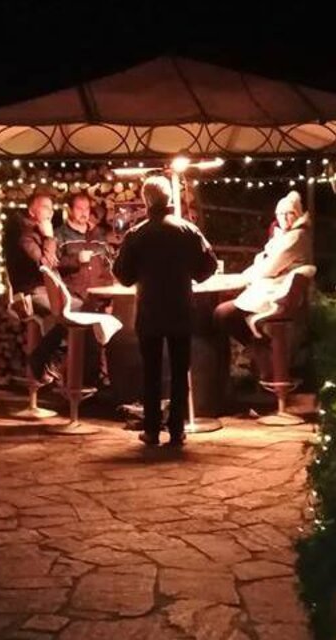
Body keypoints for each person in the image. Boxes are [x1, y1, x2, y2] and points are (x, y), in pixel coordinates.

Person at [113, 175, 218, 447]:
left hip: (149, 310)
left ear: (147, 201)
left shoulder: (137, 234)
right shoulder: (188, 231)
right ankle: (177, 430)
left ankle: (151, 430)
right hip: (181, 308)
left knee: (151, 371)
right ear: (170, 198)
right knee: (180, 371)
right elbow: (208, 266)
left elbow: (122, 274)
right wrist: (189, 275)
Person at [213, 190, 312, 378]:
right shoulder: (284, 236)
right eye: (280, 214)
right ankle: (260, 354)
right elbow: (265, 261)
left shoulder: (296, 237)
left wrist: (245, 277)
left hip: (278, 297)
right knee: (225, 313)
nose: (284, 218)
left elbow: (269, 267)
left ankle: (260, 349)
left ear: (297, 214)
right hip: (271, 291)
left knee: (223, 314)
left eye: (289, 213)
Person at [6, 191, 77, 384]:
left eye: (51, 207)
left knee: (82, 308)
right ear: (31, 211)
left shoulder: (35, 234)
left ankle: (68, 368)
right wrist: (49, 237)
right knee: (70, 313)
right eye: (45, 207)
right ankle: (42, 357)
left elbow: (54, 262)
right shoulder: (25, 237)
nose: (50, 211)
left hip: (46, 289)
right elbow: (45, 265)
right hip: (31, 292)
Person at [55, 193, 111, 301]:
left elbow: (107, 265)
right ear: (70, 210)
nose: (83, 213)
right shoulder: (59, 235)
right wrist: (76, 260)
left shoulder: (99, 234)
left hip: (100, 297)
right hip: (74, 298)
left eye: (86, 209)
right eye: (79, 209)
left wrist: (108, 289)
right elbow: (54, 265)